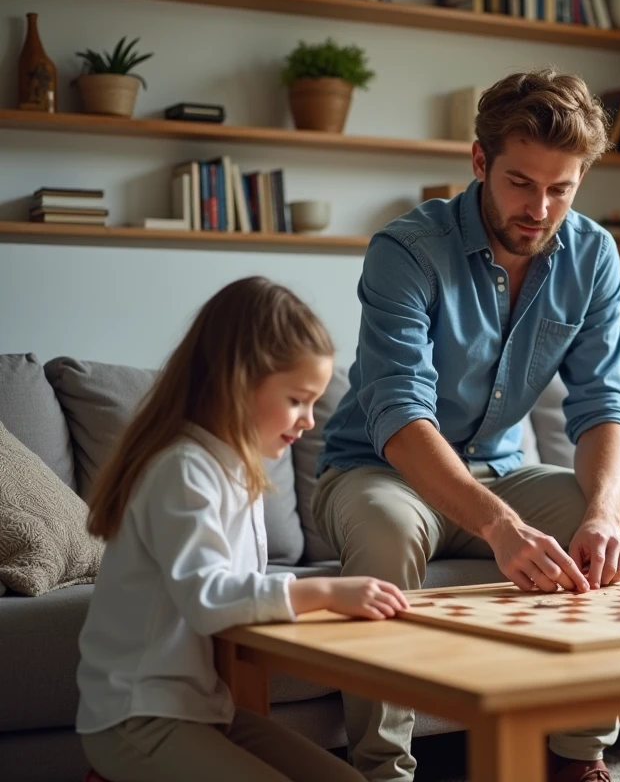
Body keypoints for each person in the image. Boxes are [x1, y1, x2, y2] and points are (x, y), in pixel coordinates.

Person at [311, 68, 620, 782]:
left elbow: (602, 406)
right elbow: (401, 415)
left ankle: (578, 757)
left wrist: (597, 514)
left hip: (501, 471)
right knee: (387, 529)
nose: (539, 208)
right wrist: (501, 528)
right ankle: (382, 771)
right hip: (381, 472)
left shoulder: (592, 256)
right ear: (479, 163)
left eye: (561, 188)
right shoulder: (405, 251)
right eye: (520, 183)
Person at [75, 276, 409, 782]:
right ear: (238, 380)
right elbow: (209, 598)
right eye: (298, 399)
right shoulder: (182, 469)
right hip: (138, 718)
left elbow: (240, 595)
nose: (309, 421)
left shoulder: (236, 469)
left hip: (202, 710)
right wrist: (322, 591)